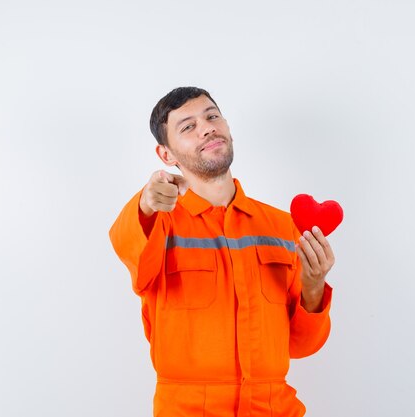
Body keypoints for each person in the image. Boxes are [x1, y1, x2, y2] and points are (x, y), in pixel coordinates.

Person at [109, 87, 336, 417]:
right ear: (166, 155)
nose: (206, 127)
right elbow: (128, 248)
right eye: (187, 126)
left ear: (227, 127)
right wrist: (145, 204)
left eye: (212, 116)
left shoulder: (281, 227)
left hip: (273, 408)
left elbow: (301, 346)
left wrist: (314, 287)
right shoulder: (159, 225)